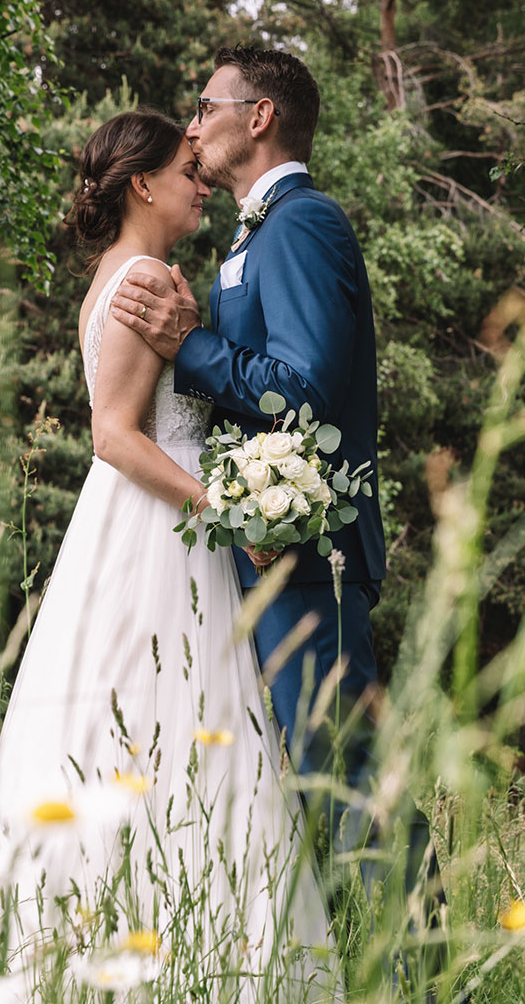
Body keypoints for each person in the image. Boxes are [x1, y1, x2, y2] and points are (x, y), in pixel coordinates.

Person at [0, 109, 336, 1004]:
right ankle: (190, 978)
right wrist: (222, 505)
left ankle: (135, 958)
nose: (199, 181)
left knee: (151, 733)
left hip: (138, 526)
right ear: (141, 184)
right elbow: (114, 436)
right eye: (185, 170)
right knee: (173, 726)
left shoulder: (112, 279)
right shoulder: (141, 276)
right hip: (155, 529)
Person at [110, 48, 431, 938]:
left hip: (306, 549)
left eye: (203, 103)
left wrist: (192, 344)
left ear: (257, 117)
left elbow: (305, 388)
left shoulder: (303, 224)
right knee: (315, 779)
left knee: (348, 772)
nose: (191, 123)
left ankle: (428, 999)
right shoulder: (254, 235)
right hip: (265, 545)